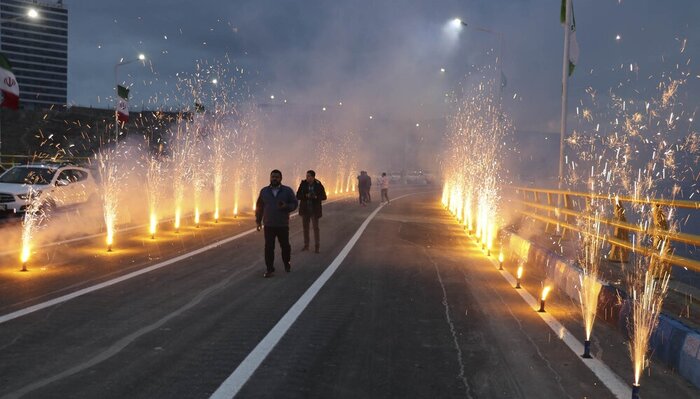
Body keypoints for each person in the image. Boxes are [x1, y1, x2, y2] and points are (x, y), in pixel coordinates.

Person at [256, 169, 299, 278]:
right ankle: (269, 269)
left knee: (285, 246)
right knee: (269, 247)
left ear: (281, 178)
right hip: (269, 224)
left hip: (282, 224)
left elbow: (294, 204)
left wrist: (286, 206)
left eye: (277, 177)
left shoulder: (287, 191)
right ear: (270, 178)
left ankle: (287, 263)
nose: (274, 178)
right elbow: (259, 207)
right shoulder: (264, 191)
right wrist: (258, 221)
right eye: (273, 177)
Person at [296, 170, 327, 253]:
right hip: (305, 210)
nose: (307, 178)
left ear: (313, 177)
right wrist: (306, 196)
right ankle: (306, 245)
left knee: (315, 228)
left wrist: (316, 197)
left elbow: (324, 196)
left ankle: (317, 246)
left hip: (314, 210)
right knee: (305, 228)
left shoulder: (318, 184)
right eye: (306, 176)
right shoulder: (303, 184)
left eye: (309, 176)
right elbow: (298, 195)